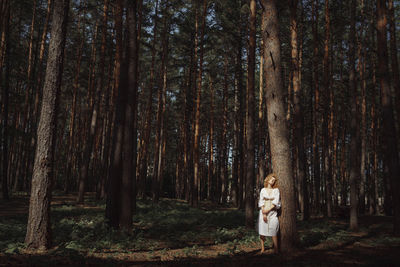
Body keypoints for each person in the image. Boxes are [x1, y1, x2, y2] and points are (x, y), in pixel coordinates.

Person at [258, 173, 281, 254]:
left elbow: (275, 202)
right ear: (267, 179)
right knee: (262, 230)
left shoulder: (276, 190)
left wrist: (268, 210)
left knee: (274, 229)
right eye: (272, 179)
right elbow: (261, 202)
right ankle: (263, 248)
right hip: (263, 212)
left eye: (274, 180)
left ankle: (276, 249)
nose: (273, 181)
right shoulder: (263, 190)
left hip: (272, 212)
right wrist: (264, 213)